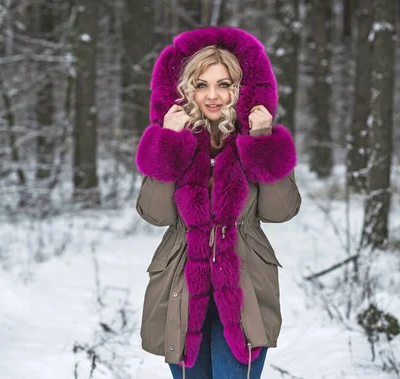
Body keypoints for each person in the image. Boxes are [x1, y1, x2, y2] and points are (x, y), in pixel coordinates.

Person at [135, 26, 302, 379]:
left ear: (239, 89)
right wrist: (167, 142)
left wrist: (262, 142)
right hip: (182, 287)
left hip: (245, 290)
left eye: (224, 84)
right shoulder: (173, 138)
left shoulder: (254, 138)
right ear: (185, 90)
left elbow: (281, 211)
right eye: (201, 84)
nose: (213, 95)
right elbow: (155, 213)